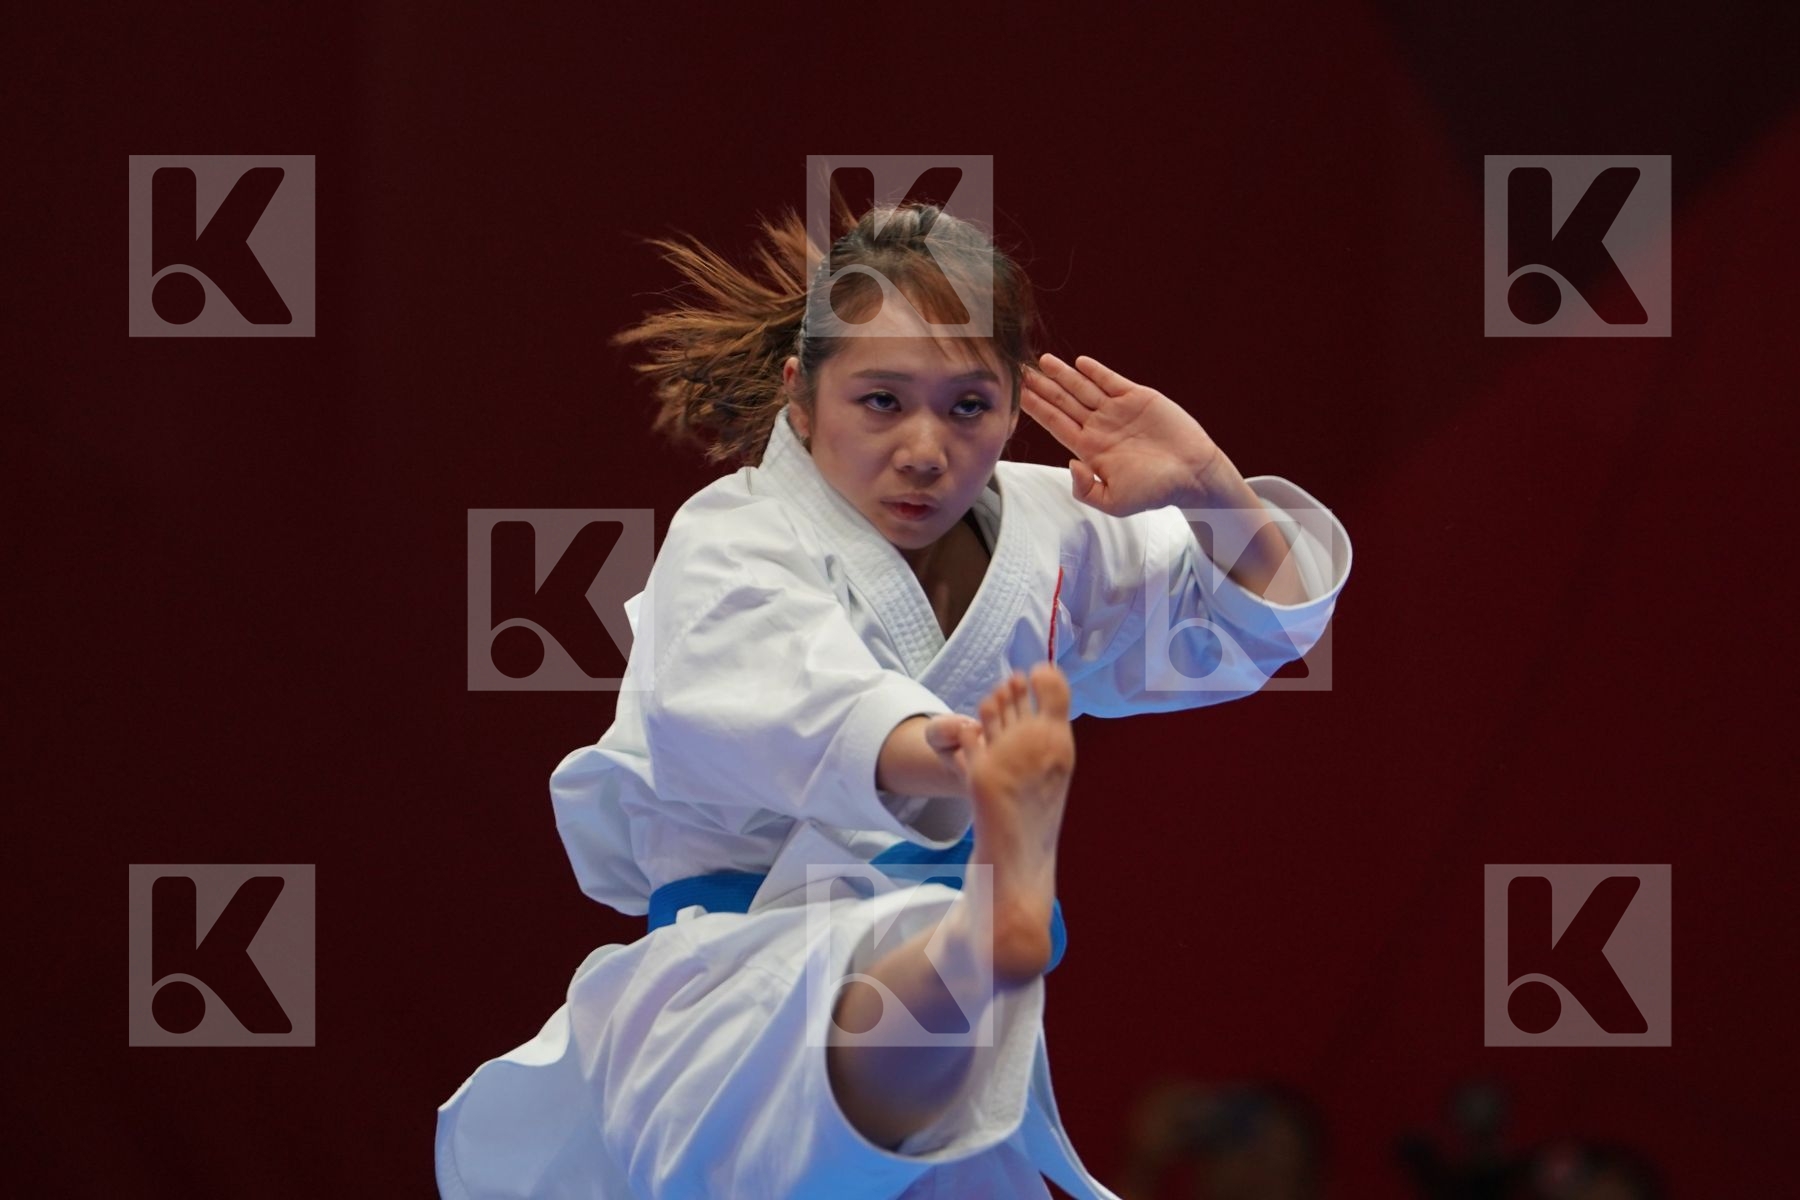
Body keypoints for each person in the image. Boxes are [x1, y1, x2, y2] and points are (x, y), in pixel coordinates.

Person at [434, 195, 1354, 1199]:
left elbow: (1248, 626)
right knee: (811, 1065)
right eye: (882, 401)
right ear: (800, 397)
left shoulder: (1055, 527)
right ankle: (979, 938)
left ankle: (978, 943)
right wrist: (971, 761)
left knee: (893, 1056)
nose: (925, 447)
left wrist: (1209, 484)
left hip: (939, 1045)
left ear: (1015, 406)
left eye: (969, 407)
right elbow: (799, 697)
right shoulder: (735, 534)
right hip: (738, 965)